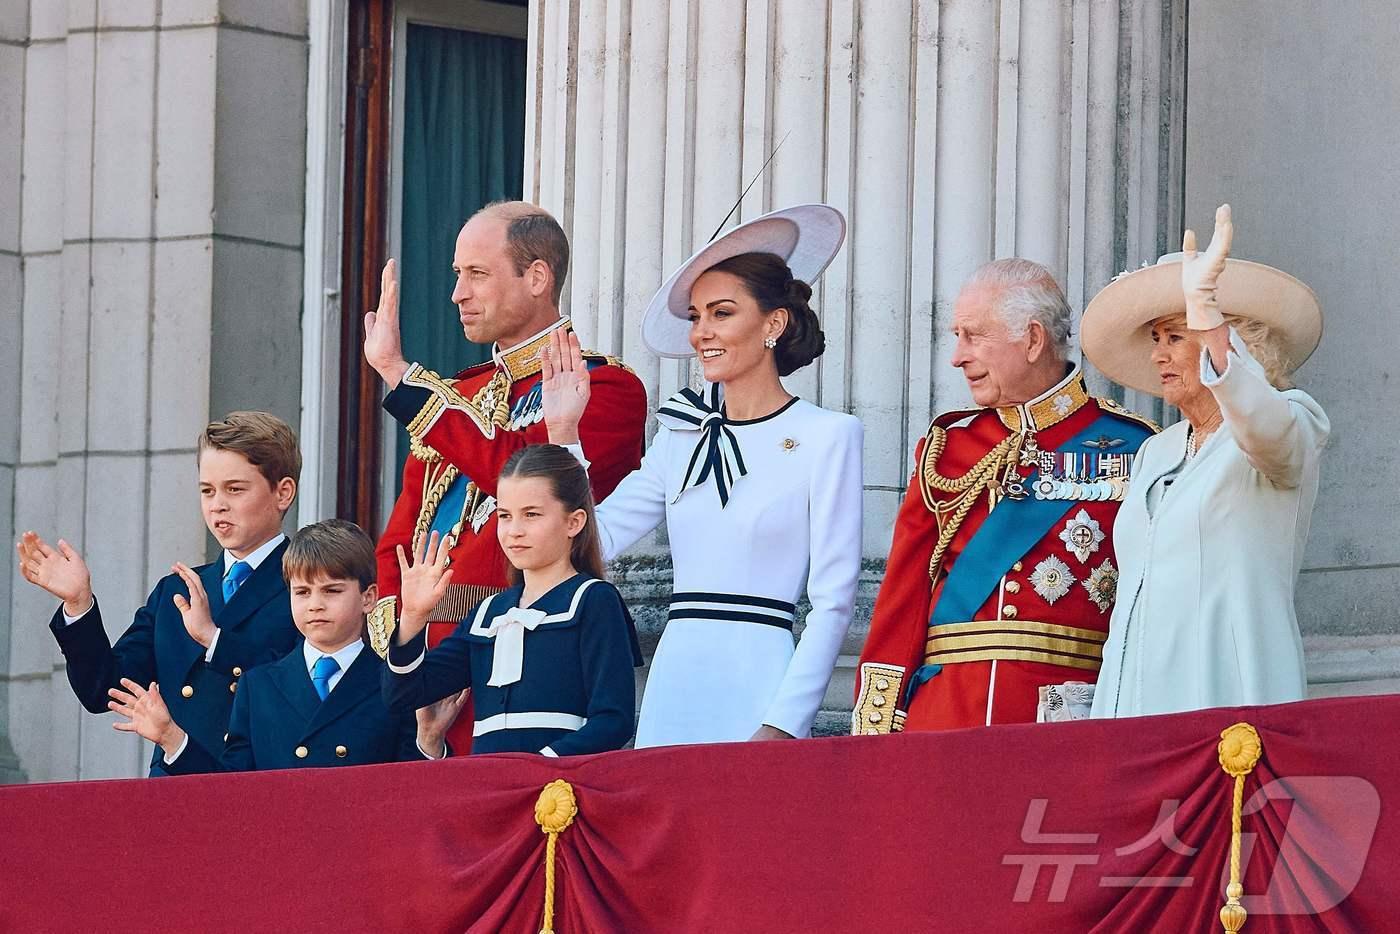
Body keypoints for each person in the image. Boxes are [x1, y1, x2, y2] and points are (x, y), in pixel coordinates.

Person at [544, 204, 863, 747]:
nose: (701, 333)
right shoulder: (680, 433)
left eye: (721, 313)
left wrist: (785, 721)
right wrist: (564, 432)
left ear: (774, 323)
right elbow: (597, 537)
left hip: (763, 681)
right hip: (676, 681)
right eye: (695, 316)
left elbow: (834, 600)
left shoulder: (829, 435)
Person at [364, 200, 648, 753]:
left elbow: (519, 473)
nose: (457, 294)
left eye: (477, 274)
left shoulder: (606, 388)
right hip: (426, 668)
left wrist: (401, 376)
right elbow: (403, 537)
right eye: (456, 275)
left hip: (532, 662)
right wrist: (407, 632)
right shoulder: (457, 395)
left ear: (537, 276)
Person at [853, 259, 1158, 733]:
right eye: (957, 336)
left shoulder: (1137, 447)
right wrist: (875, 733)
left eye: (973, 336)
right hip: (945, 719)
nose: (957, 356)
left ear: (1033, 340)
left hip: (1070, 720)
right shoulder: (947, 449)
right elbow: (902, 602)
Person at [1082, 205, 1328, 717]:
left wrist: (1207, 319)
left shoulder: (1291, 425)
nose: (1158, 355)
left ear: (1234, 341)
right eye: (1156, 339)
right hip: (1133, 708)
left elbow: (1266, 428)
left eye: (1176, 337)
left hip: (1227, 698)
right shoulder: (1156, 451)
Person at [15, 412, 303, 776]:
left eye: (235, 489)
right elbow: (103, 689)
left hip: (258, 793)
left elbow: (301, 694)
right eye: (207, 490)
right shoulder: (176, 591)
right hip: (173, 794)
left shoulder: (307, 588)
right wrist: (79, 604)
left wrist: (214, 640)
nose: (217, 505)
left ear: (283, 492)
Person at [106, 520, 464, 771]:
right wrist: (172, 738)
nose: (315, 604)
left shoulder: (392, 686)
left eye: (332, 591)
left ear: (369, 597)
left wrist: (429, 742)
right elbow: (230, 791)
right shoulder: (258, 684)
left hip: (359, 863)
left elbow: (409, 798)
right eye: (302, 592)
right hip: (278, 862)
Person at [383, 445, 641, 757]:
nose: (514, 531)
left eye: (531, 515)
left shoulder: (593, 600)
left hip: (561, 792)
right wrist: (411, 618)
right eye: (505, 516)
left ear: (574, 522)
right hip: (489, 788)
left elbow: (614, 720)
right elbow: (405, 695)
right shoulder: (487, 614)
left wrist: (540, 767)